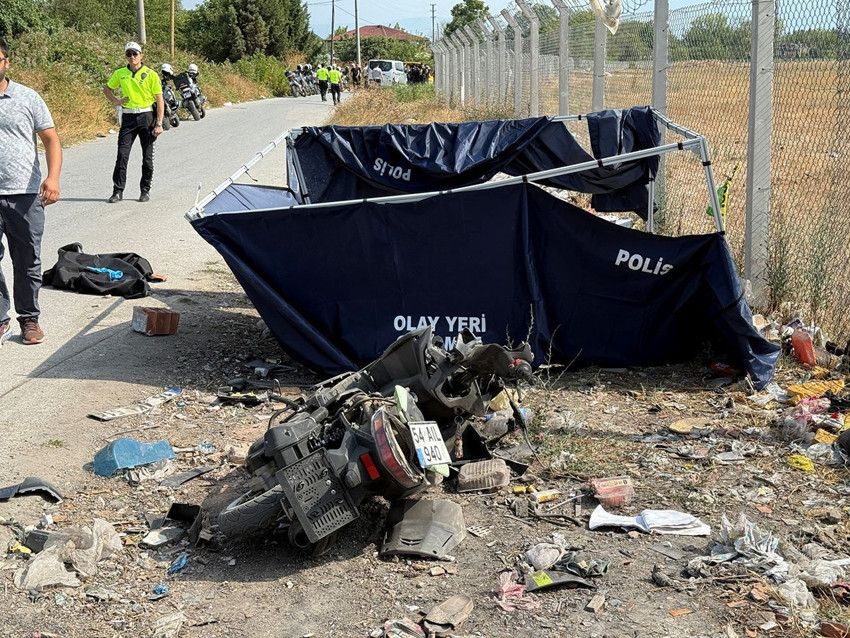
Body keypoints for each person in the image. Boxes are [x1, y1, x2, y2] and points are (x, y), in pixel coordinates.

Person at [0, 37, 62, 346]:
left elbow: (51, 139)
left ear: (6, 62)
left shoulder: (27, 97)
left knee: (27, 260)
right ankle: (0, 318)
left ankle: (29, 319)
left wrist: (52, 178)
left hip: (24, 193)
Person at [102, 42, 164, 203]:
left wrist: (159, 123)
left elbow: (159, 99)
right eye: (129, 54)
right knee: (122, 156)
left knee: (147, 158)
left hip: (146, 117)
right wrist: (116, 100)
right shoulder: (120, 73)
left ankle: (145, 190)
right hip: (128, 118)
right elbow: (107, 89)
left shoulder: (150, 74)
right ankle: (117, 191)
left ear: (141, 55)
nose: (132, 57)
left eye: (135, 54)